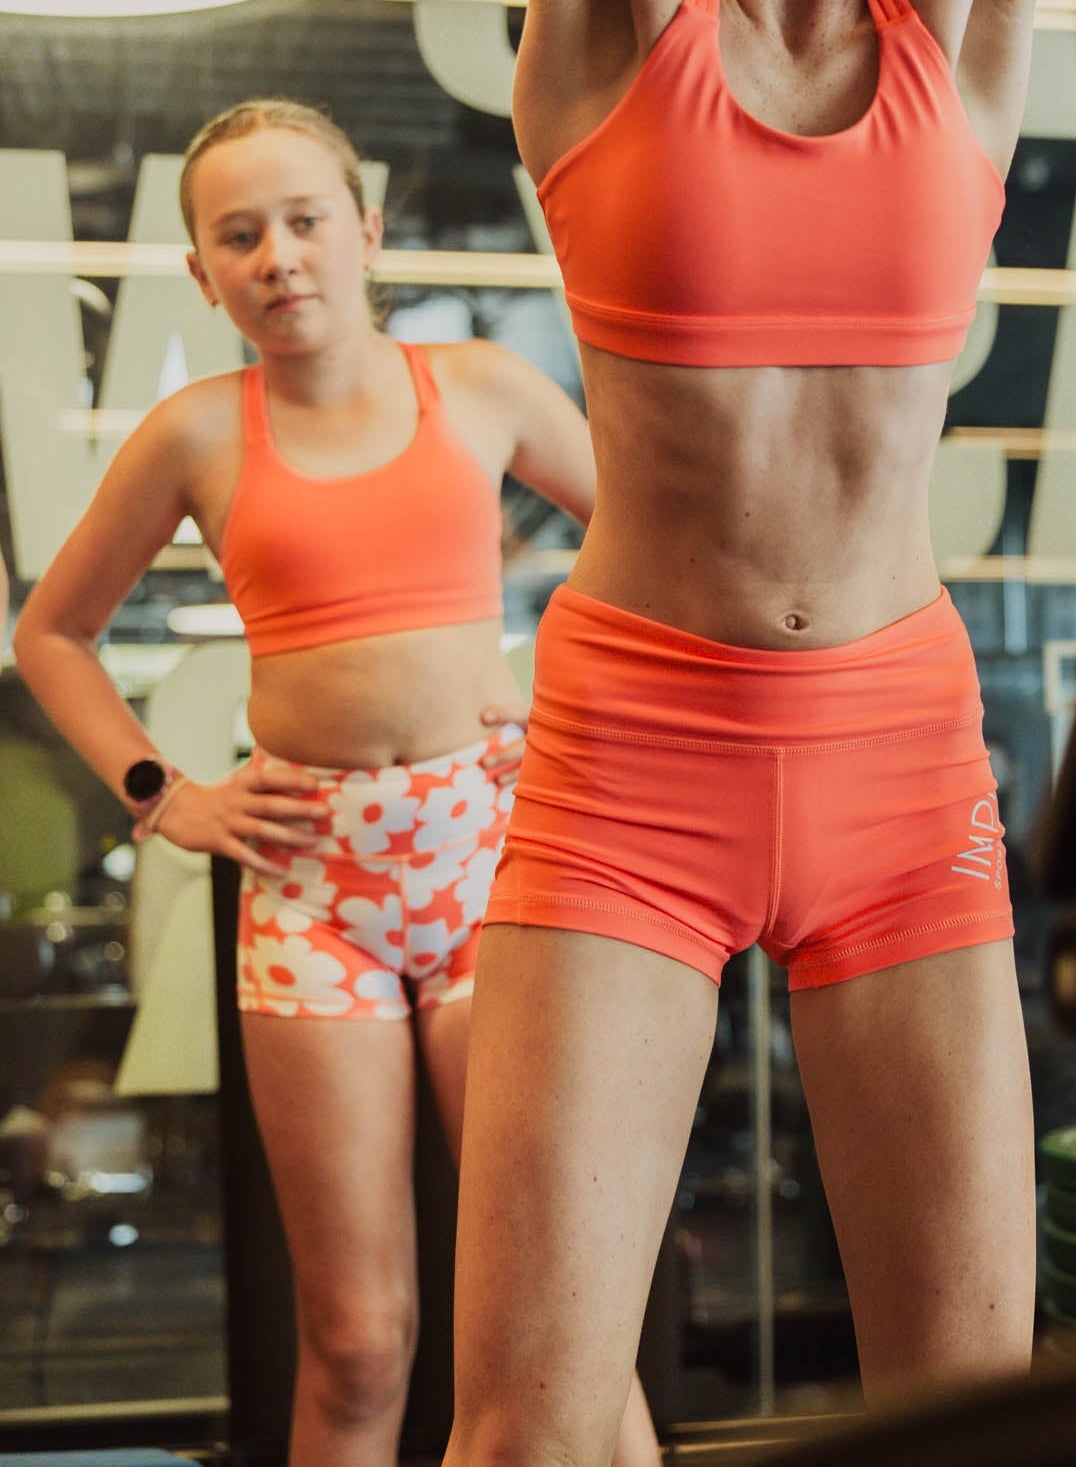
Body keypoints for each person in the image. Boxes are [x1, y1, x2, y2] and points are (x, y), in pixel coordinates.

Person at [13, 99, 660, 1467]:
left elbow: (660, 547)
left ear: (367, 231)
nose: (278, 256)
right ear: (201, 273)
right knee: (362, 1337)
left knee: (565, 1313)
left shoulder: (477, 389)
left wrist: (568, 700)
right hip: (311, 888)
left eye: (305, 221)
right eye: (239, 236)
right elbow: (48, 634)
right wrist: (159, 790)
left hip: (488, 858)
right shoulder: (196, 432)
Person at [444, 1, 1039, 1462]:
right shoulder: (615, 37)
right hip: (635, 762)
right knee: (528, 1433)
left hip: (904, 771)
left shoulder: (958, 39)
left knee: (975, 1424)